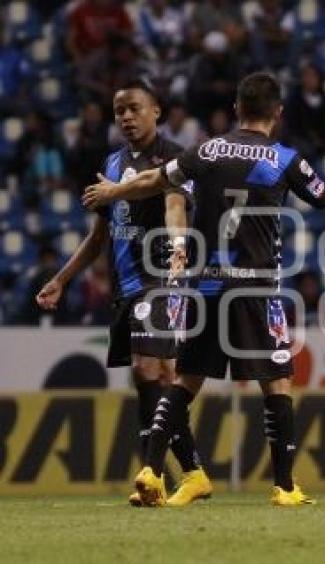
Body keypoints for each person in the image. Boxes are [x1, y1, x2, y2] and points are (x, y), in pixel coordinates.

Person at [82, 72, 325, 507]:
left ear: (237, 108)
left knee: (184, 382)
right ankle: (285, 486)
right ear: (277, 112)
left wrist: (114, 190)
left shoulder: (206, 150)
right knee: (277, 384)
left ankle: (152, 469)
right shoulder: (283, 158)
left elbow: (155, 181)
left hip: (207, 286)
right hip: (255, 289)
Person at [37, 80, 208, 507]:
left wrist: (179, 247)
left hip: (160, 278)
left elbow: (174, 207)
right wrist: (62, 278)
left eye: (134, 108)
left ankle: (152, 475)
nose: (127, 117)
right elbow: (100, 235)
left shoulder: (171, 158)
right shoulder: (112, 163)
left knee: (148, 369)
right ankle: (191, 472)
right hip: (125, 286)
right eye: (119, 111)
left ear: (156, 111)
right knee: (154, 377)